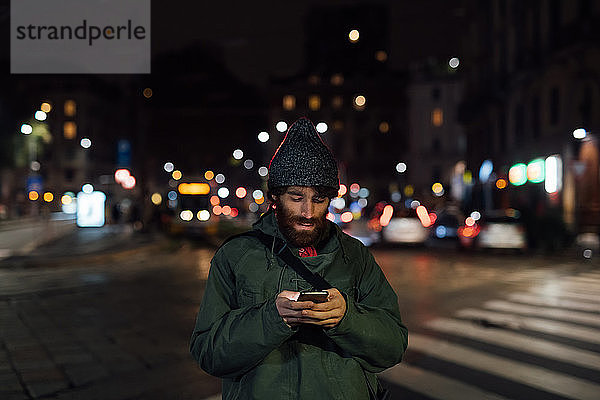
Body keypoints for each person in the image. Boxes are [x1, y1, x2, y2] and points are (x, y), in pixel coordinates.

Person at [190, 117, 408, 399]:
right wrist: (272, 318)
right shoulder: (235, 256)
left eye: (318, 199)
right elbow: (208, 353)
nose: (307, 212)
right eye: (296, 197)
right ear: (275, 197)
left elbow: (393, 347)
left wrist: (346, 318)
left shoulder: (355, 257)